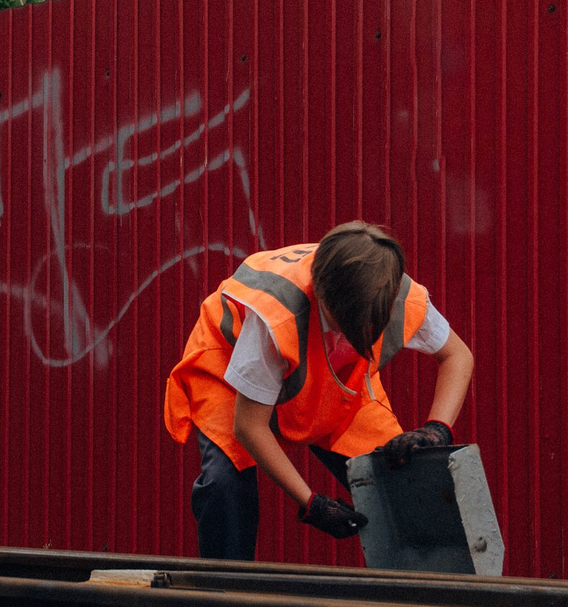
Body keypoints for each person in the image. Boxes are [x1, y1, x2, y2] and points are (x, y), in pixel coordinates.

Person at [163, 221, 475, 561]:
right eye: (349, 325)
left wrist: (436, 430)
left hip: (333, 383)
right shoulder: (276, 317)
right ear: (322, 295)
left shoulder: (396, 292)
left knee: (405, 483)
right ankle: (223, 601)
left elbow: (457, 356)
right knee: (225, 487)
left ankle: (422, 602)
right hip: (229, 372)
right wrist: (312, 503)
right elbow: (250, 426)